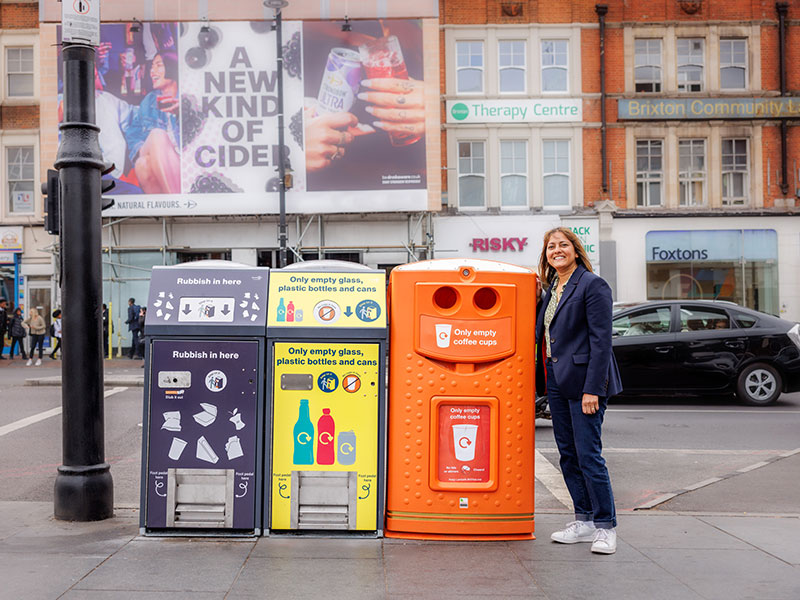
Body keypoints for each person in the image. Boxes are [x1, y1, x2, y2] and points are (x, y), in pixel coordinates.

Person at [535, 227, 623, 555]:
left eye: (563, 245)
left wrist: (593, 390)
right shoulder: (552, 288)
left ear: (575, 249)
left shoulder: (592, 284)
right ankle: (583, 520)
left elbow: (601, 341)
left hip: (585, 380)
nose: (557, 250)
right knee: (568, 455)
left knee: (589, 456)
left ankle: (606, 526)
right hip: (557, 380)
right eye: (551, 247)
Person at [124, 52, 180, 193]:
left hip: (184, 161)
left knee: (156, 135)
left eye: (159, 65)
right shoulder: (150, 100)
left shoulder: (189, 97)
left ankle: (176, 205)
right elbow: (133, 132)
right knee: (142, 163)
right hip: (158, 162)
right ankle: (170, 210)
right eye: (151, 66)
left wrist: (183, 113)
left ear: (172, 67)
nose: (152, 71)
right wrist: (144, 149)